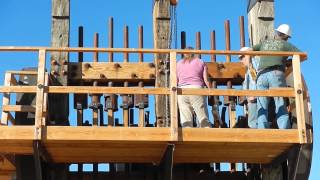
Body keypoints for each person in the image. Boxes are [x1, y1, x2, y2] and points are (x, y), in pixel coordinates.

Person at [252, 24, 300, 129]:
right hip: (275, 74)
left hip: (261, 75)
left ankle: (262, 129)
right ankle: (284, 129)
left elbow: (251, 50)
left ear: (276, 33)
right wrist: (288, 61)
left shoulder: (264, 43)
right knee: (280, 102)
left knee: (262, 103)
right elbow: (301, 55)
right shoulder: (286, 45)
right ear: (287, 37)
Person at [176, 47, 211, 128]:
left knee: (186, 120)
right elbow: (206, 80)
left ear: (184, 54)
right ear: (193, 53)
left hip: (182, 91)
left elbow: (175, 81)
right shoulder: (200, 61)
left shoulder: (178, 63)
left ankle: (187, 137)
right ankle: (207, 135)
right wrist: (210, 92)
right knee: (203, 117)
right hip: (197, 89)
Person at [239, 47, 259, 128]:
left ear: (246, 56)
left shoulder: (252, 66)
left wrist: (252, 95)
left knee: (253, 123)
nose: (241, 61)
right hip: (252, 97)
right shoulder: (249, 69)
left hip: (254, 97)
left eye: (241, 58)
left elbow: (255, 80)